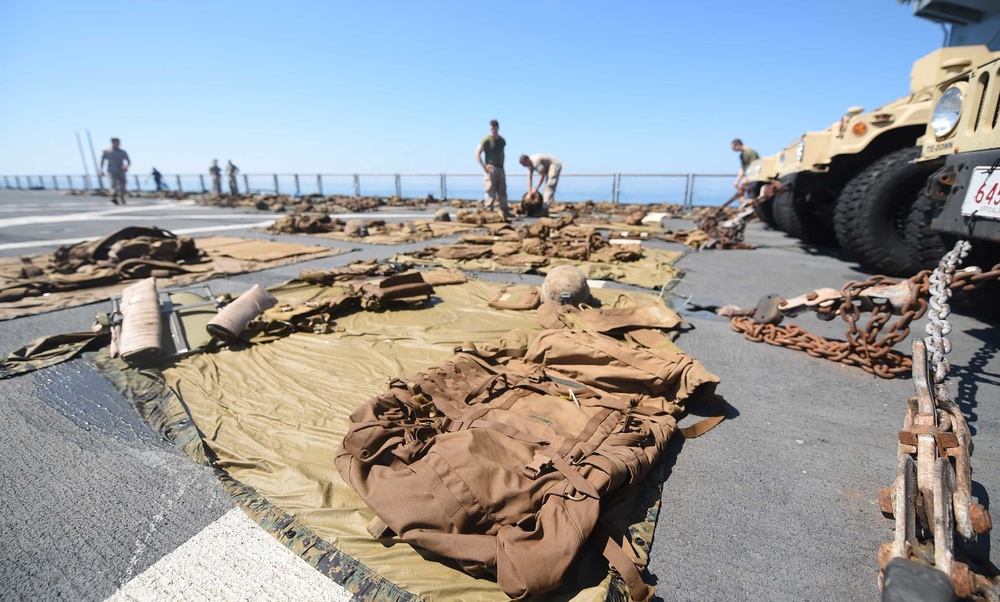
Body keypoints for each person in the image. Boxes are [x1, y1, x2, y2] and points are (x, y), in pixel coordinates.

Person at [475, 119, 512, 217]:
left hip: (500, 167)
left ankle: (504, 209)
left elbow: (503, 153)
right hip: (490, 168)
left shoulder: (502, 141)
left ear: (498, 128)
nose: (493, 130)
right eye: (491, 128)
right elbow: (477, 153)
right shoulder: (486, 140)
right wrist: (484, 166)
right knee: (490, 189)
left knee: (502, 189)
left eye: (494, 128)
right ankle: (489, 209)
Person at [99, 137, 131, 205]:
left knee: (123, 185)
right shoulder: (107, 151)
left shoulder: (123, 152)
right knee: (113, 184)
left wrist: (126, 166)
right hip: (112, 170)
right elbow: (102, 161)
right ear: (112, 142)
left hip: (121, 171)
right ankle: (114, 197)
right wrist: (101, 170)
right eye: (116, 142)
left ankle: (123, 198)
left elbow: (128, 161)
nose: (118, 144)